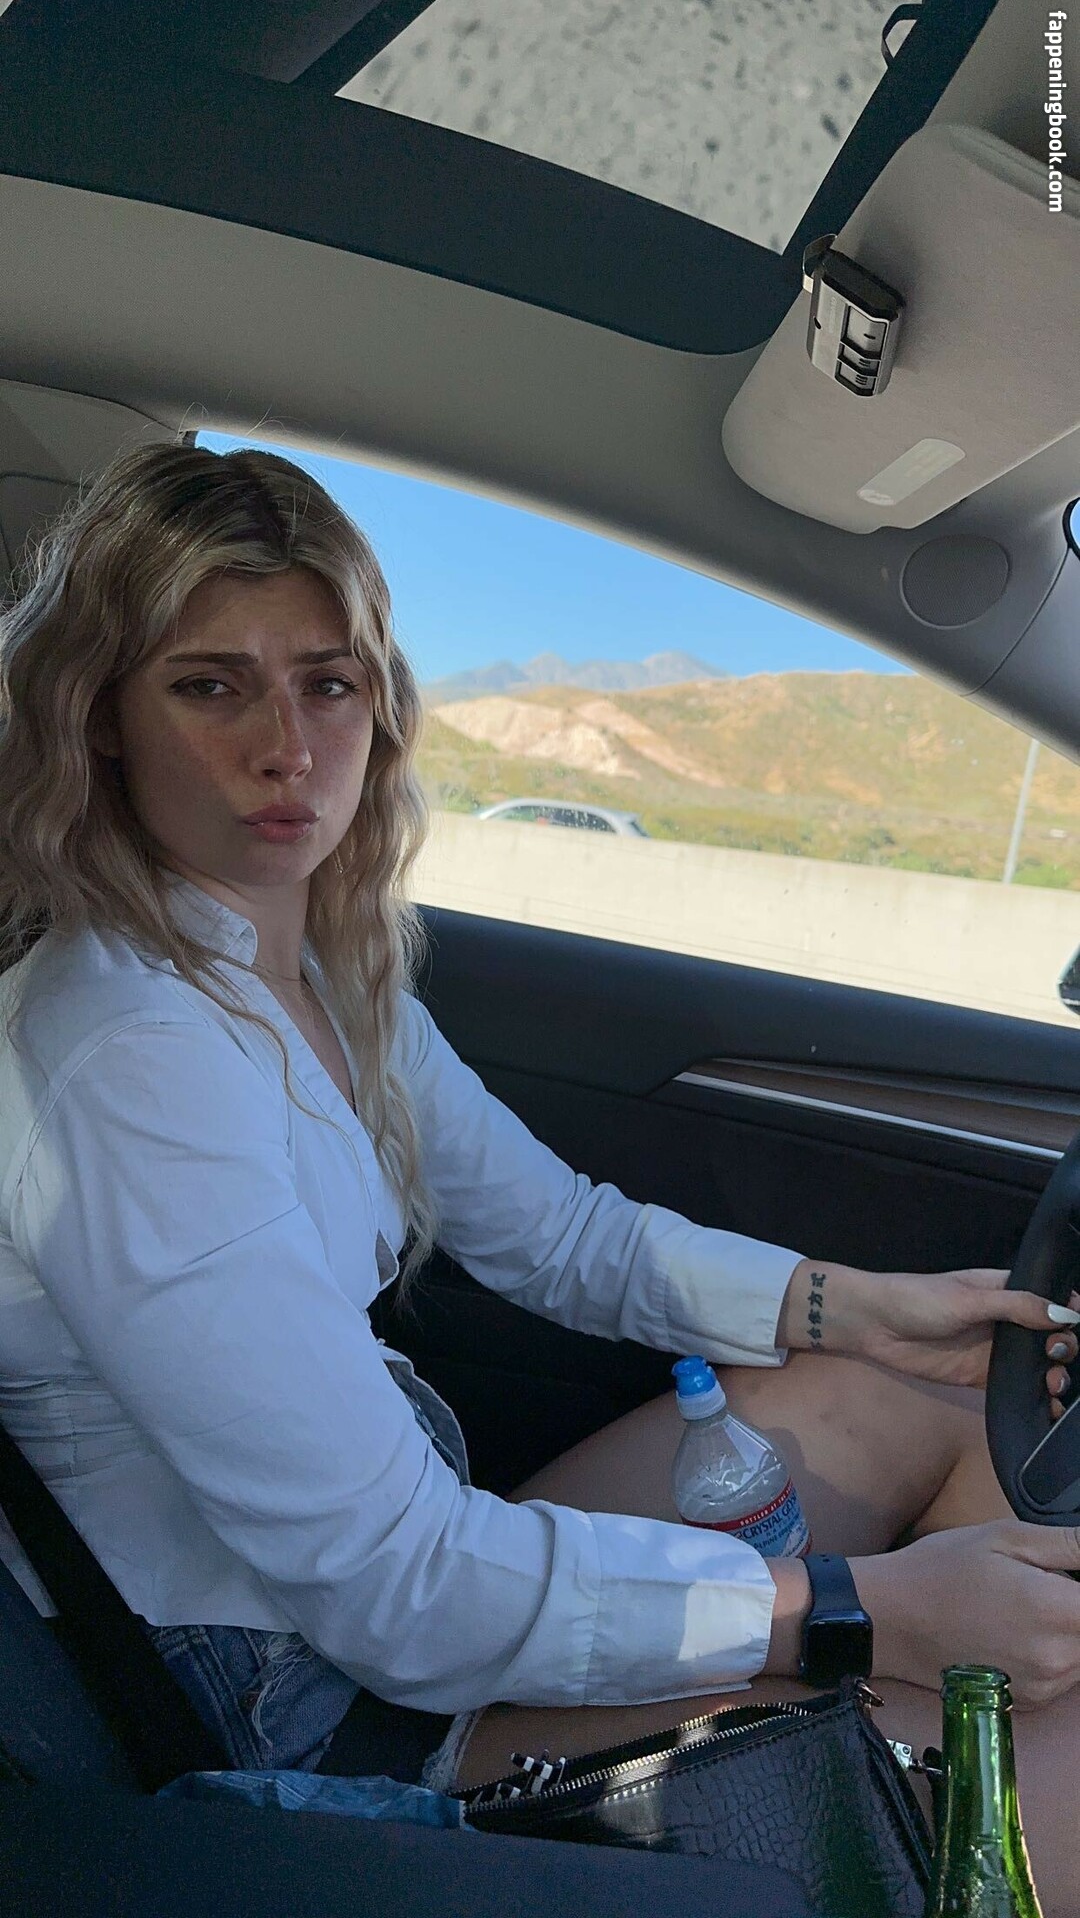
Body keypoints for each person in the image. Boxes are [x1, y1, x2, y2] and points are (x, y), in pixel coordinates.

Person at [0, 442, 1078, 1913]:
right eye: (209, 685)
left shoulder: (315, 972)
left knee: (922, 1391)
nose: (286, 747)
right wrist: (864, 1612)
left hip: (391, 1587)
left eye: (328, 684)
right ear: (103, 719)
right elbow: (395, 1589)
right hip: (304, 1703)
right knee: (1052, 1739)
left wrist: (863, 1306)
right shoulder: (127, 1057)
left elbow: (563, 1238)